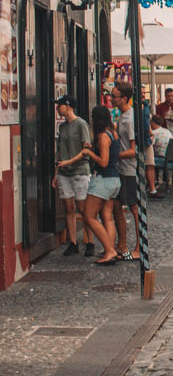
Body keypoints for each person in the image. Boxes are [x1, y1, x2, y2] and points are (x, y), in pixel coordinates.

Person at [54, 95, 94, 257]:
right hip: (64, 172)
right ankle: (73, 242)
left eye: (60, 105)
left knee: (84, 209)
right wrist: (56, 172)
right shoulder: (62, 127)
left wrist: (69, 161)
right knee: (69, 208)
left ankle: (89, 241)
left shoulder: (81, 124)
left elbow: (87, 150)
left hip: (79, 170)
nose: (57, 108)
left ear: (68, 106)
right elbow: (59, 151)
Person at [80, 105, 121, 265]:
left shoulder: (103, 136)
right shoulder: (113, 133)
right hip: (114, 180)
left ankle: (109, 251)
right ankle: (109, 249)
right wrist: (94, 150)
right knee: (107, 217)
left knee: (89, 215)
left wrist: (90, 153)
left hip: (103, 180)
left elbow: (103, 162)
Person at [111, 81, 140, 263]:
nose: (111, 99)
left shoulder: (130, 119)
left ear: (124, 98)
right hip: (121, 168)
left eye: (114, 96)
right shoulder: (122, 116)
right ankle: (122, 245)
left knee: (134, 208)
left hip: (129, 169)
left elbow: (133, 150)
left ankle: (139, 247)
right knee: (117, 206)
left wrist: (114, 156)